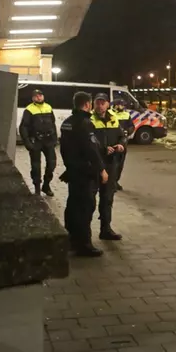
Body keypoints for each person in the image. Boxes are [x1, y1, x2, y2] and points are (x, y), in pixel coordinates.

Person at [59, 91, 109, 257]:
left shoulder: (67, 123)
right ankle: (84, 244)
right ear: (87, 104)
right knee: (86, 207)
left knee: (72, 206)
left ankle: (71, 239)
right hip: (85, 173)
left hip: (73, 171)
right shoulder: (85, 123)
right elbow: (91, 150)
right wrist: (101, 169)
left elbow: (64, 149)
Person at [91, 93, 126, 241]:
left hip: (110, 164)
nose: (100, 106)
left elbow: (122, 136)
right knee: (89, 200)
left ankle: (106, 229)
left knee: (107, 198)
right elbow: (88, 142)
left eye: (102, 103)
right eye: (97, 103)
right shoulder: (89, 119)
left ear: (108, 104)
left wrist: (121, 145)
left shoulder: (113, 118)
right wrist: (103, 149)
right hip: (93, 164)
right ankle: (83, 235)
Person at [19, 89, 58, 197]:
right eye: (36, 96)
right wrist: (27, 142)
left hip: (48, 141)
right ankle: (37, 188)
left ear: (43, 96)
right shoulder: (29, 109)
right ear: (33, 98)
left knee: (52, 164)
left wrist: (55, 139)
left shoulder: (49, 107)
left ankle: (46, 185)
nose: (39, 97)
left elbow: (53, 123)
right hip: (35, 141)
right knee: (36, 166)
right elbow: (23, 127)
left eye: (40, 95)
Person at [110, 99, 135, 192]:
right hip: (113, 142)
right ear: (115, 105)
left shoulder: (126, 115)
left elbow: (131, 126)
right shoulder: (110, 114)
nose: (122, 106)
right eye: (120, 105)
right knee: (113, 164)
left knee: (120, 164)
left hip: (124, 143)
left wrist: (128, 131)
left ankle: (115, 181)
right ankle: (111, 183)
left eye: (123, 105)